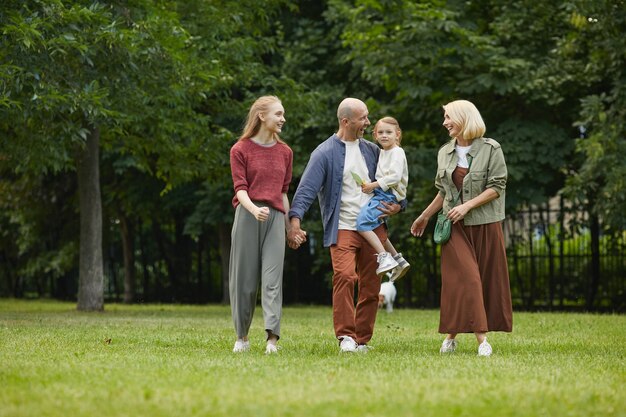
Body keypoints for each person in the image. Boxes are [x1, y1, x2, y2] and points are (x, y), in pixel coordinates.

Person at [287, 98, 402, 353]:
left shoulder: (372, 150)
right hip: (342, 227)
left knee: (372, 285)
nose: (368, 123)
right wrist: (294, 223)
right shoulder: (325, 153)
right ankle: (346, 337)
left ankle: (362, 340)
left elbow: (393, 183)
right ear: (345, 121)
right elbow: (306, 191)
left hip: (372, 228)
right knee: (345, 276)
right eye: (363, 118)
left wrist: (398, 207)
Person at [410, 99, 513, 357]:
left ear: (464, 118)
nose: (444, 123)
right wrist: (424, 216)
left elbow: (497, 187)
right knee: (467, 279)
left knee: (480, 281)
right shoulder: (445, 151)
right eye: (444, 117)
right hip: (453, 228)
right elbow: (443, 192)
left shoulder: (491, 149)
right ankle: (482, 341)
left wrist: (467, 207)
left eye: (448, 117)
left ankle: (450, 337)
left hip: (484, 225)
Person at [229, 95, 293, 354]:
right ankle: (242, 337)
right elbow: (240, 189)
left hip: (275, 218)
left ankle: (272, 340)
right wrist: (254, 209)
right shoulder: (240, 149)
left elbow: (284, 192)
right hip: (247, 215)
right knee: (243, 280)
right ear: (261, 116)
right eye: (278, 114)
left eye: (283, 114)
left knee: (272, 280)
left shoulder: (285, 152)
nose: (283, 119)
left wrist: (290, 228)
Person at [356, 116, 410, 281]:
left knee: (362, 224)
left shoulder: (397, 152)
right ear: (375, 135)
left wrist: (372, 185)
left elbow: (394, 177)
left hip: (388, 194)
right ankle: (399, 260)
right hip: (382, 192)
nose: (384, 135)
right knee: (377, 227)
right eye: (380, 132)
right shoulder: (384, 152)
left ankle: (385, 257)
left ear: (397, 134)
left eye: (389, 132)